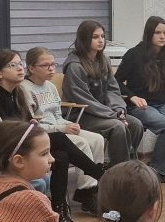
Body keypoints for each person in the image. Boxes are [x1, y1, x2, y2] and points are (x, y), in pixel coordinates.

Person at [0, 49, 103, 222]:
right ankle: (101, 175)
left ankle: (61, 215)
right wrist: (32, 128)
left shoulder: (17, 92)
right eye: (13, 65)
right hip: (2, 152)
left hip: (21, 144)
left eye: (20, 64)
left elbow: (28, 124)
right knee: (59, 138)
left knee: (61, 156)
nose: (20, 68)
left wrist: (32, 126)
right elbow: (4, 134)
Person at [22, 46, 107, 212]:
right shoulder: (24, 89)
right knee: (81, 142)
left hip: (59, 127)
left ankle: (89, 188)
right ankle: (88, 190)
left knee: (97, 139)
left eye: (53, 64)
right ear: (31, 68)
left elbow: (57, 115)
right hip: (44, 133)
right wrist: (62, 127)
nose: (51, 69)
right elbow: (33, 123)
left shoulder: (51, 86)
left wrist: (68, 124)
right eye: (45, 65)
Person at [115, 16, 165, 183]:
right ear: (149, 34)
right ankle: (158, 168)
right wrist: (132, 96)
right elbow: (115, 81)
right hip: (139, 105)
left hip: (163, 103)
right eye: (157, 32)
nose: (162, 36)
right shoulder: (134, 54)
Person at [62, 20, 144, 165]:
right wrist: (113, 115)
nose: (100, 40)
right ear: (84, 39)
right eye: (95, 37)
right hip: (81, 114)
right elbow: (83, 99)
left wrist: (119, 111)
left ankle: (128, 165)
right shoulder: (74, 66)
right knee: (117, 127)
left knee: (136, 125)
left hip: (104, 113)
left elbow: (112, 89)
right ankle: (119, 170)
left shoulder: (104, 60)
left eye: (102, 36)